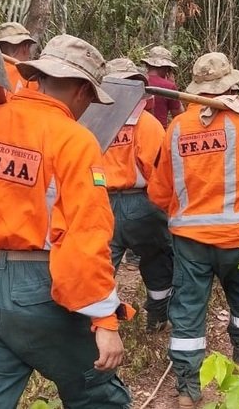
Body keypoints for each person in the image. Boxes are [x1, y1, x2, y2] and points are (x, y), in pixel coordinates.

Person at [0, 34, 134, 409]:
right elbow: (86, 235)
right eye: (91, 98)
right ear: (80, 90)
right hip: (42, 292)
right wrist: (105, 321)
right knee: (99, 397)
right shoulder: (74, 140)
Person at [147, 52, 239, 408]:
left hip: (190, 241)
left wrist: (188, 209)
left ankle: (187, 388)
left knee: (187, 309)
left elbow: (158, 192)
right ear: (229, 85)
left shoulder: (176, 128)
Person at [101, 57, 173, 332]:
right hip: (141, 203)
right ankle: (157, 318)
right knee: (157, 260)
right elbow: (159, 172)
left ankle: (98, 323)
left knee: (102, 266)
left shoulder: (92, 121)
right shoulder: (146, 124)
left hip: (102, 202)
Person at [141, 46, 184, 128]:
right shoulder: (168, 86)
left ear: (147, 65)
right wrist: (174, 88)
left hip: (136, 131)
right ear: (166, 68)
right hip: (159, 132)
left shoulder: (137, 82)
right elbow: (179, 116)